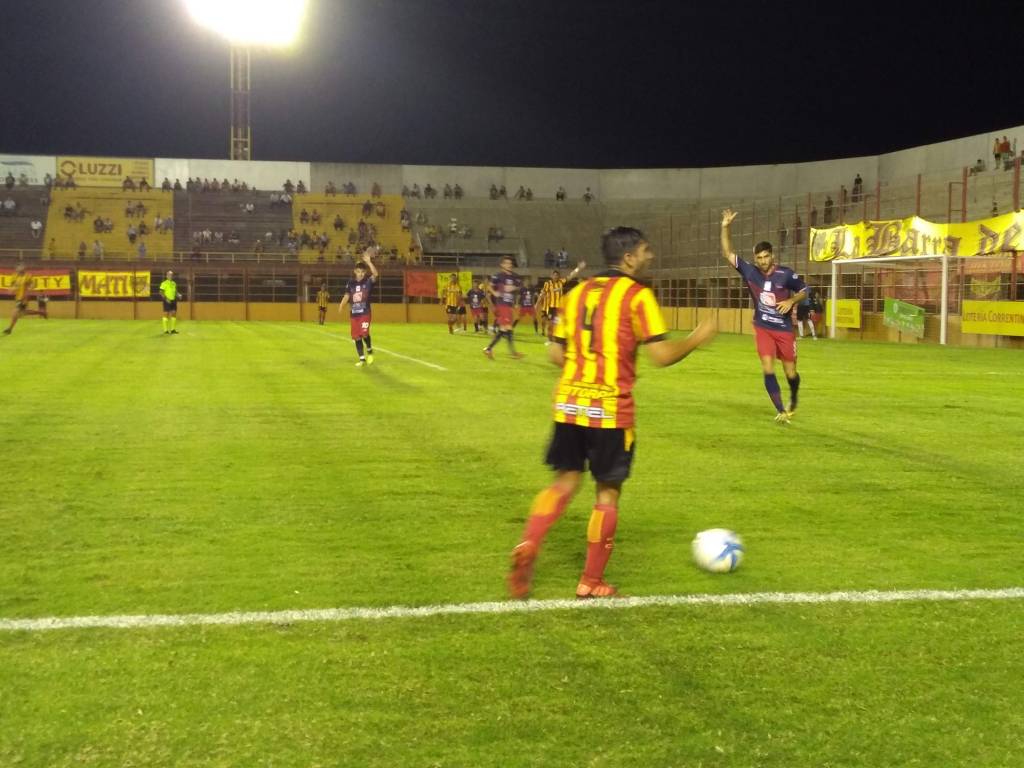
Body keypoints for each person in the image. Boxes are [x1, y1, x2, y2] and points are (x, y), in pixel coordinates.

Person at [507, 227, 717, 600]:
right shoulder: (637, 295)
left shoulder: (576, 293)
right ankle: (590, 581)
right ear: (629, 257)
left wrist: (585, 368)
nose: (650, 256)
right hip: (609, 409)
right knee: (607, 493)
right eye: (645, 250)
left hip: (569, 403)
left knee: (564, 481)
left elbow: (555, 353)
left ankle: (529, 543)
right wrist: (697, 338)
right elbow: (660, 356)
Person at [720, 208, 807, 423]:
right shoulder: (750, 272)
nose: (762, 260)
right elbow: (728, 253)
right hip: (763, 328)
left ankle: (794, 397)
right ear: (755, 259)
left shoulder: (786, 274)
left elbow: (805, 290)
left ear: (772, 256)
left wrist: (791, 301)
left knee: (790, 372)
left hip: (784, 330)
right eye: (759, 257)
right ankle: (781, 410)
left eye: (766, 256)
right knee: (768, 367)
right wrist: (726, 227)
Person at [338, 247, 379, 366]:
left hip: (365, 313)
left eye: (362, 272)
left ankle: (369, 350)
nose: (360, 274)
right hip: (354, 314)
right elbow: (347, 296)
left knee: (364, 333)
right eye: (358, 271)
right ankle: (362, 359)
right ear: (355, 271)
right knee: (356, 336)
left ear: (365, 272)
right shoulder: (350, 283)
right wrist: (341, 305)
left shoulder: (367, 282)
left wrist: (369, 262)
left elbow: (375, 274)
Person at [483, 256, 523, 359]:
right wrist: (495, 293)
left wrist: (514, 288)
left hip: (509, 305)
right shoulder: (498, 276)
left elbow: (520, 287)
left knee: (503, 330)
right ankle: (513, 353)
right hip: (502, 304)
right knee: (508, 327)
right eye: (506, 263)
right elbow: (489, 286)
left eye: (510, 263)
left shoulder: (515, 276)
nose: (509, 265)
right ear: (502, 265)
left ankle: (488, 349)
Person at [537, 262, 585, 338]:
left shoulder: (561, 282)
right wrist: (537, 303)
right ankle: (549, 336)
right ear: (551, 276)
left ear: (559, 276)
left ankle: (553, 337)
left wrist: (578, 268)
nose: (555, 276)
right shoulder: (547, 284)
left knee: (557, 323)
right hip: (551, 307)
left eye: (557, 275)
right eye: (554, 275)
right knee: (550, 322)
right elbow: (542, 293)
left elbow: (570, 276)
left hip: (559, 307)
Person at [3, 263, 48, 335]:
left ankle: (9, 329)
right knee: (22, 313)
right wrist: (11, 289)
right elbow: (12, 285)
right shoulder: (14, 276)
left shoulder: (28, 276)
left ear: (24, 268)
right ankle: (41, 312)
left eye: (20, 267)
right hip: (17, 297)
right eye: (18, 267)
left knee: (15, 312)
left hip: (24, 297)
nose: (18, 268)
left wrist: (31, 287)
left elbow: (33, 284)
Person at [159, 270, 182, 335]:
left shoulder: (174, 283)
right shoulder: (164, 283)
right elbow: (161, 292)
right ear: (166, 276)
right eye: (169, 275)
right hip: (167, 300)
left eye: (171, 275)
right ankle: (165, 330)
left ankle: (172, 330)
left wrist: (178, 295)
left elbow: (175, 291)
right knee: (166, 314)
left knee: (174, 313)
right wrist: (166, 299)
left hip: (173, 300)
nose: (170, 276)